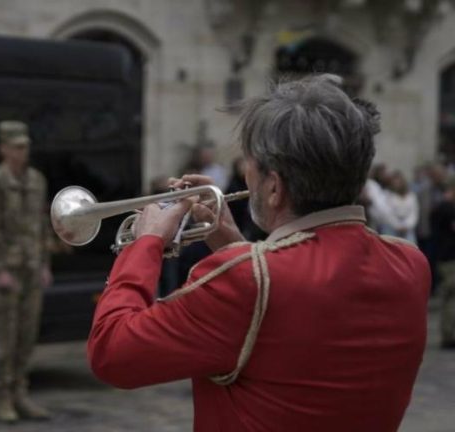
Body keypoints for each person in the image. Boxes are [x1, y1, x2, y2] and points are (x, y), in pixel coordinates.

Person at [87, 74, 430, 431]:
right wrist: (233, 244)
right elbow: (293, 323)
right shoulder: (409, 262)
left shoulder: (246, 279)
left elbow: (112, 353)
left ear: (274, 188)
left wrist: (146, 244)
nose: (246, 179)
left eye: (249, 167)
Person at [0, 120, 52, 422]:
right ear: (3, 149)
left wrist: (45, 264)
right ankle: (3, 397)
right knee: (5, 338)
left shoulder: (36, 180)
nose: (24, 152)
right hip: (8, 272)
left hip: (32, 268)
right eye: (18, 147)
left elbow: (42, 227)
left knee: (27, 336)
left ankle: (21, 392)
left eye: (26, 146)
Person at [432, 176, 455, 347]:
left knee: (448, 297)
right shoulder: (448, 209)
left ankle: (448, 334)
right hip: (450, 257)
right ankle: (449, 335)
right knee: (451, 297)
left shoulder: (438, 207)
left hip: (442, 256)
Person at [384, 170, 419, 243]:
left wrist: (407, 225)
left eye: (399, 181)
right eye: (394, 182)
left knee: (409, 248)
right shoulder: (388, 195)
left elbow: (414, 213)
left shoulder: (411, 196)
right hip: (392, 228)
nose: (397, 184)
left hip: (407, 229)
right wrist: (397, 225)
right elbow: (388, 213)